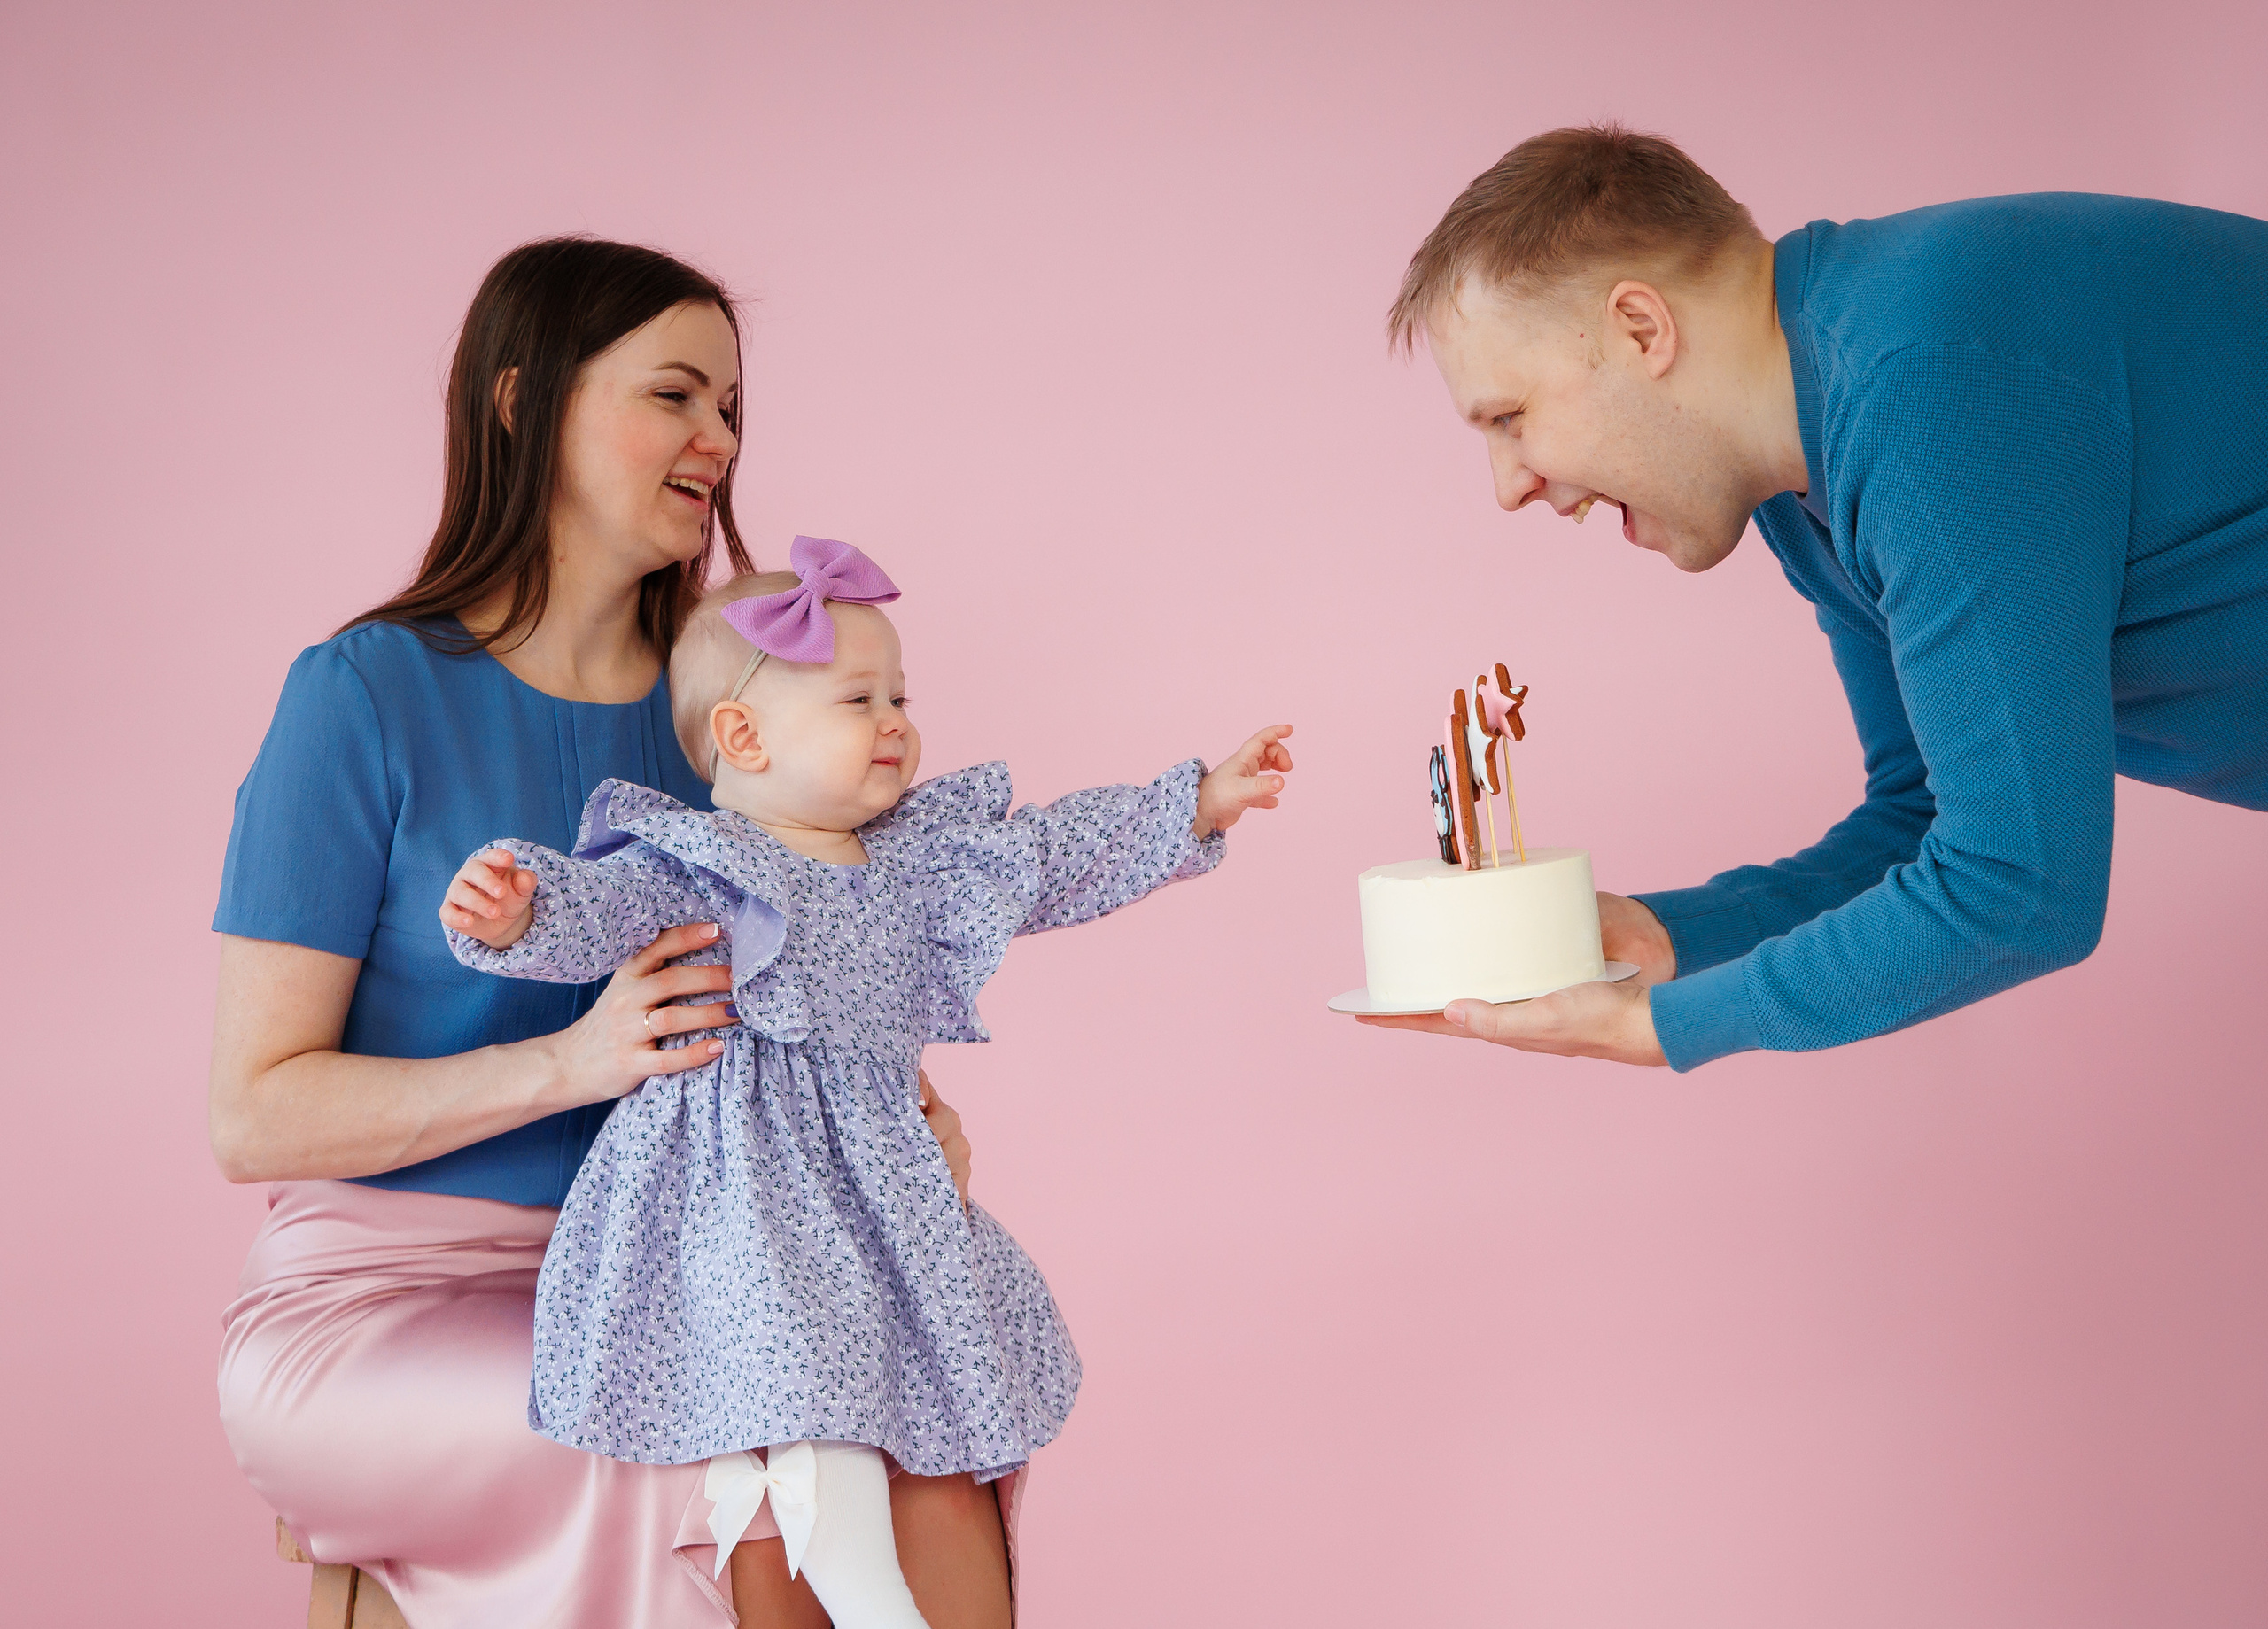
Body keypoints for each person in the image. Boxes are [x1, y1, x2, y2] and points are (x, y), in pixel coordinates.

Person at [211, 237, 978, 1626]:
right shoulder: (360, 696)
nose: (720, 439)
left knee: (936, 1445)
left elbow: (826, 978)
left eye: (733, 407)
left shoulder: (729, 711)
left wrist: (906, 1120)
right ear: (524, 404)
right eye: (677, 395)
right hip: (379, 1302)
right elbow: (254, 1116)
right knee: (707, 1472)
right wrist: (575, 1060)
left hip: (672, 1277)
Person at [439, 537, 1294, 1627]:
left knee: (907, 1371)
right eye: (859, 699)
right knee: (794, 1345)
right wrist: (518, 911)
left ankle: (844, 1527)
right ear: (742, 736)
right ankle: (851, 1569)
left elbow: (1050, 854)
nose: (895, 719)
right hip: (742, 1188)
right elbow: (593, 910)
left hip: (879, 1189)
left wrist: (1198, 804)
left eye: (900, 695)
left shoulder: (913, 864)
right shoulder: (696, 861)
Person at [1363, 124, 2268, 1071]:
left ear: (1640, 328)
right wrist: (1658, 940)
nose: (1506, 487)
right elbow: (1920, 813)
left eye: (1509, 417)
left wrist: (1662, 1027)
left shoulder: (1920, 387)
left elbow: (2019, 888)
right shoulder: (1805, 478)